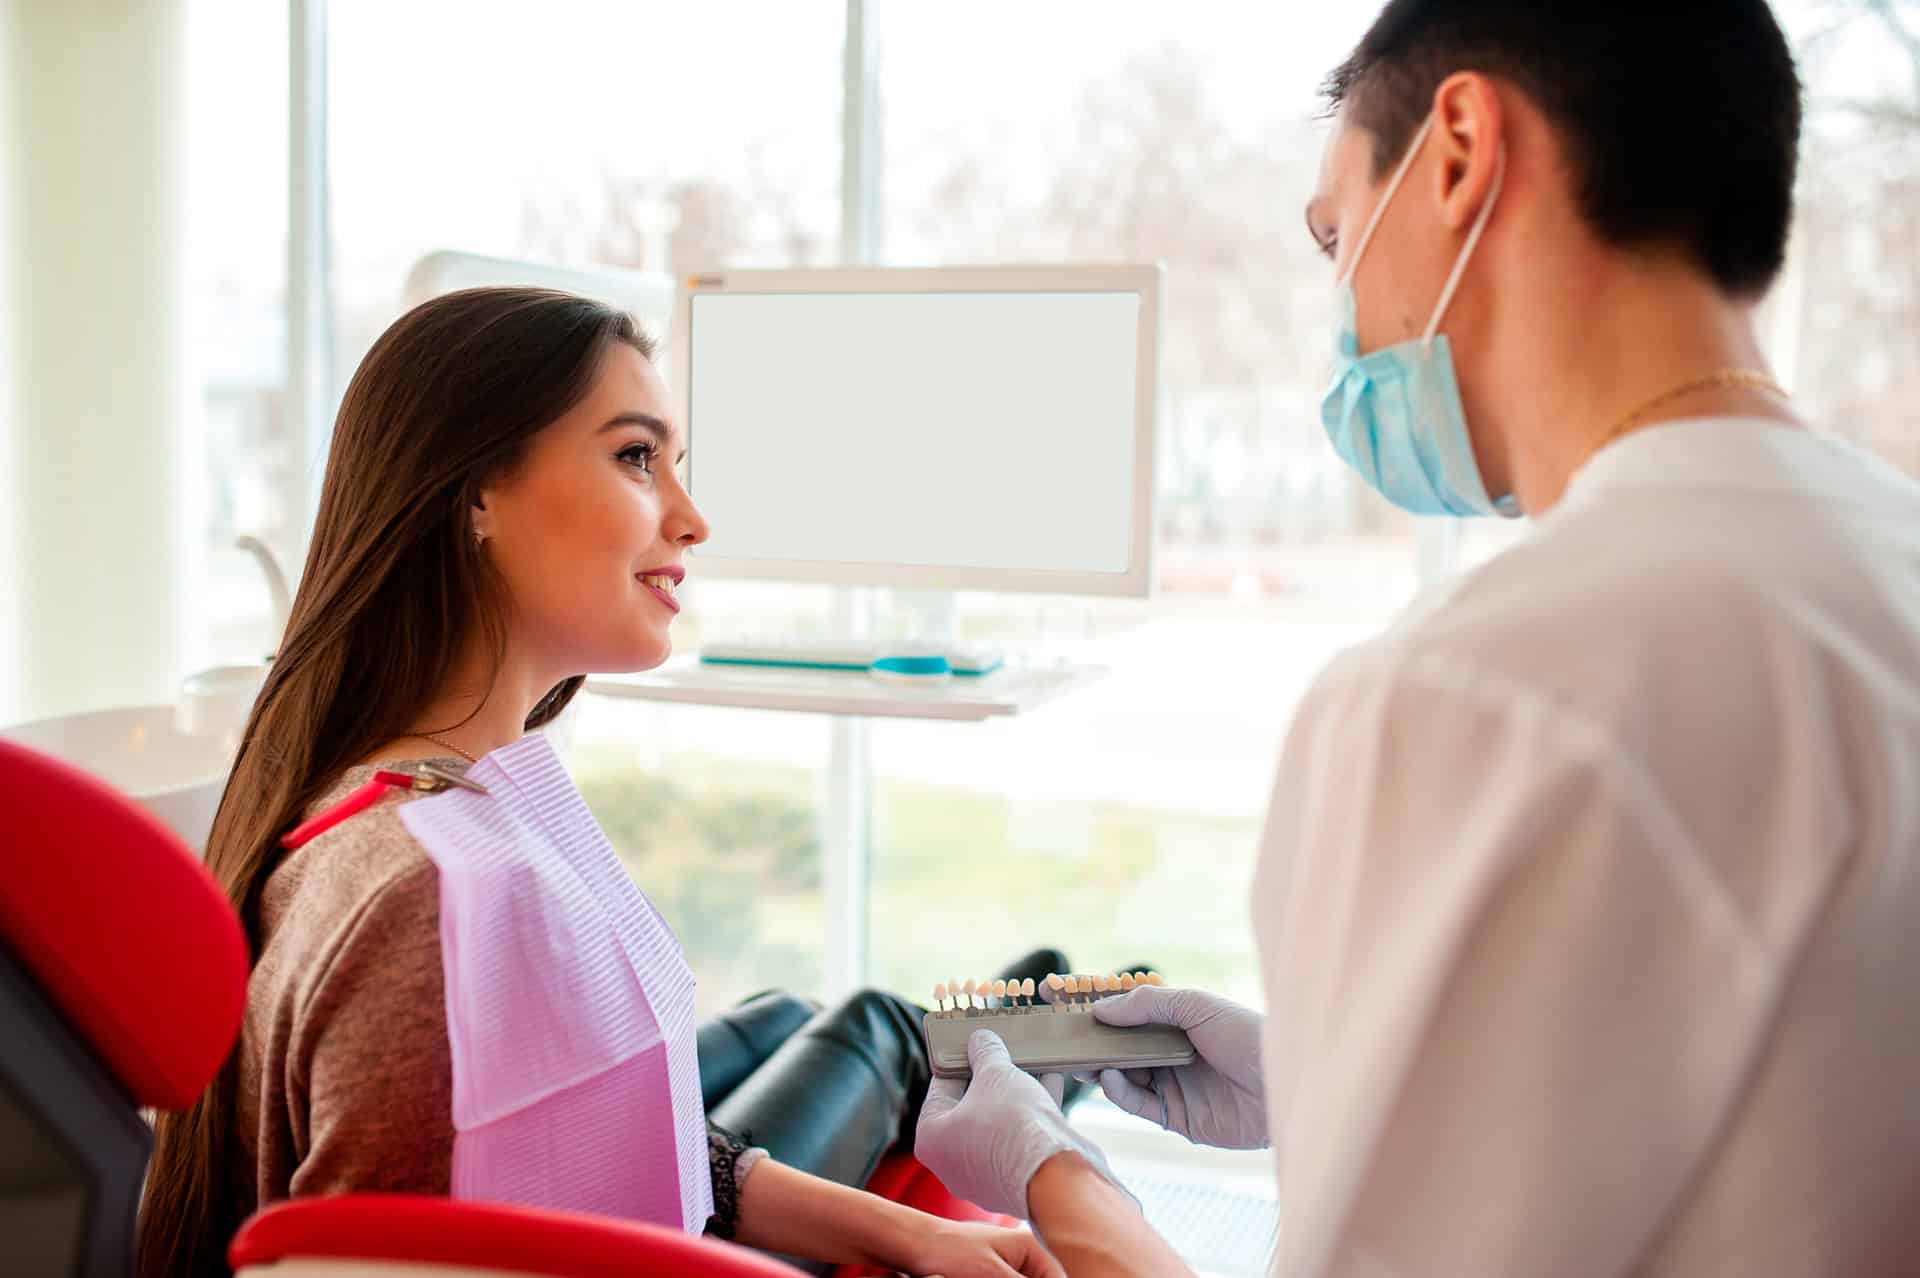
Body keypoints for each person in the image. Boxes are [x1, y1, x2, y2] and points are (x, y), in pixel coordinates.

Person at [916, 1, 1920, 1274]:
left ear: (1457, 153)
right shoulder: (1886, 556)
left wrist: (1057, 1179)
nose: (1340, 302)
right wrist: (1320, 1086)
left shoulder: (1478, 691)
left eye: (1336, 235)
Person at [136, 287, 1064, 1278]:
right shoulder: (435, 897)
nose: (693, 518)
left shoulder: (405, 805)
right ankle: (1027, 1041)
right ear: (476, 491)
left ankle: (1019, 1035)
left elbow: (629, 1154)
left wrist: (918, 1232)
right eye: (635, 457)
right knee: (879, 1022)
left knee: (792, 1017)